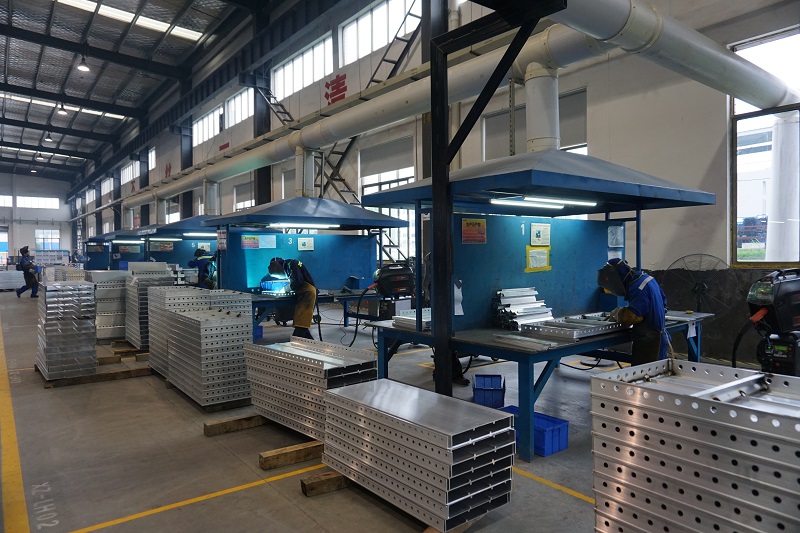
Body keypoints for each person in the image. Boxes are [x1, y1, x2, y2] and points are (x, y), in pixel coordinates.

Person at [597, 258, 670, 366]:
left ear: (617, 279)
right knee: (656, 374)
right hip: (659, 337)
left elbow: (634, 316)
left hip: (650, 342)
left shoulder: (638, 287)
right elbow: (663, 302)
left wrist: (619, 314)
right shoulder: (646, 278)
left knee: (644, 374)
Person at [268, 257, 316, 340]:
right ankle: (311, 342)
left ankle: (294, 343)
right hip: (303, 294)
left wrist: (288, 288)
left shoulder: (292, 264)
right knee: (300, 321)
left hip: (307, 293)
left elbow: (298, 281)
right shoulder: (289, 267)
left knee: (302, 322)